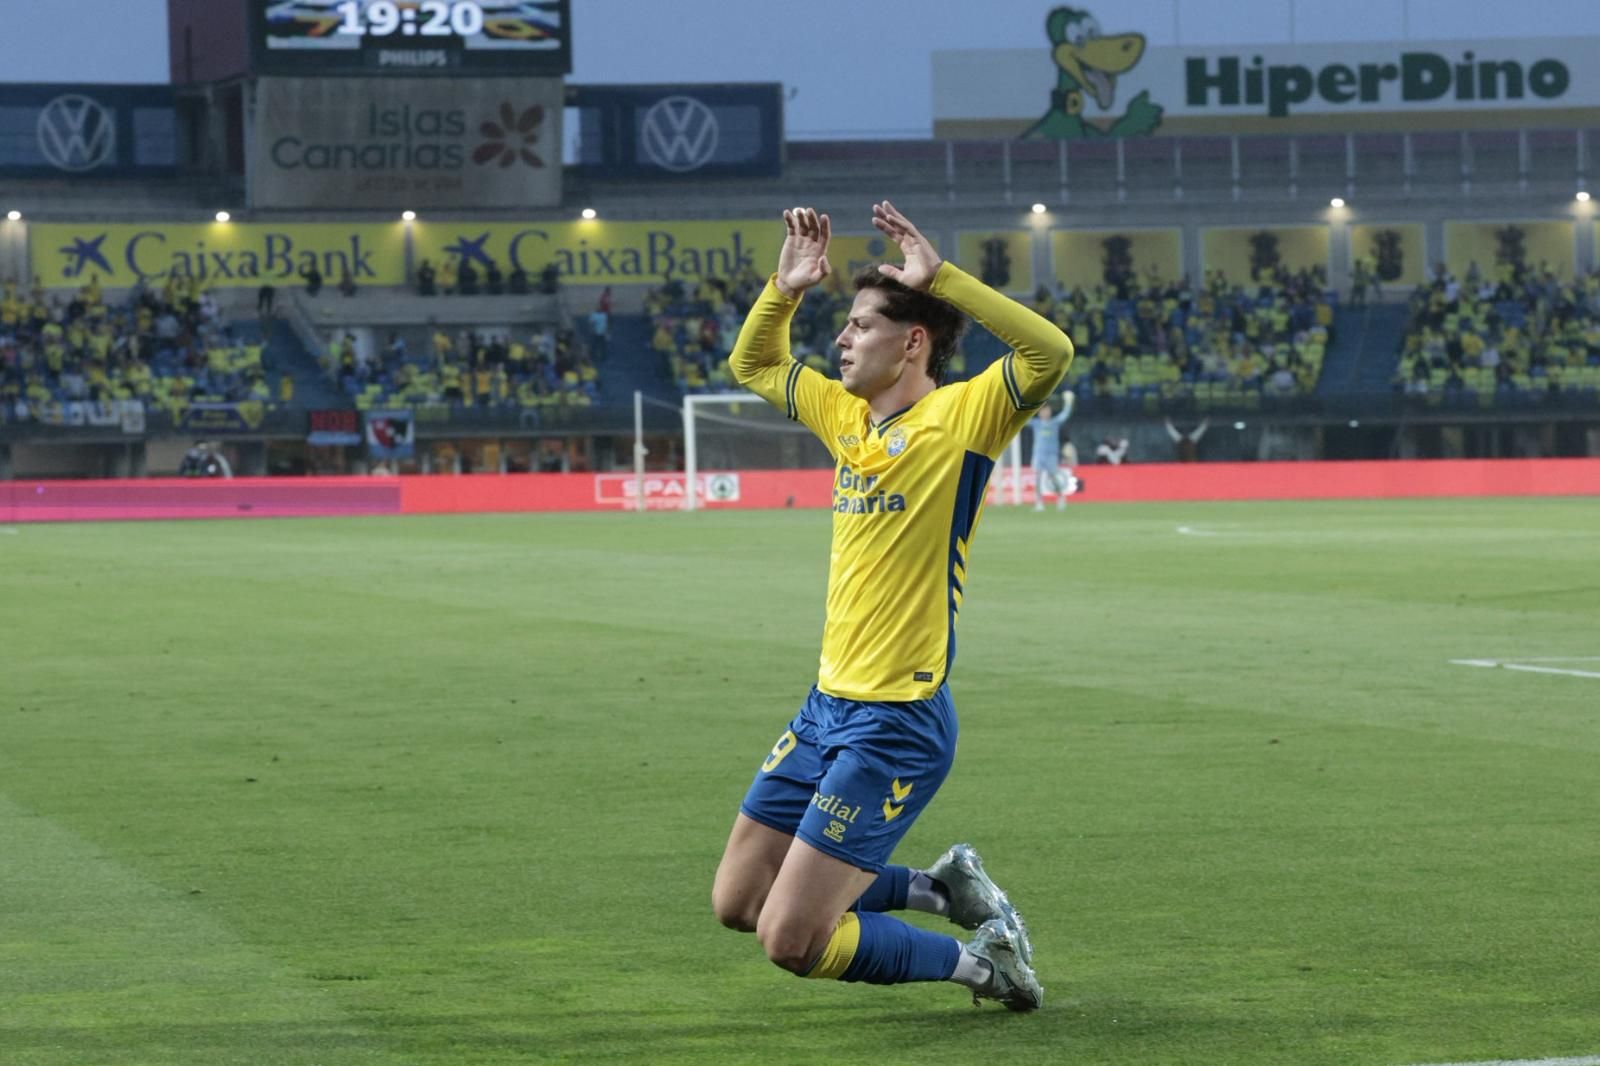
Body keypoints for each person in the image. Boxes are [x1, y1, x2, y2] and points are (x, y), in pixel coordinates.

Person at [712, 202, 1071, 1012]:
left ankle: (986, 966)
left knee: (791, 938)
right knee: (739, 902)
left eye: (862, 324)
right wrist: (785, 288)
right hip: (824, 708)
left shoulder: (965, 415)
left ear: (913, 341)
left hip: (897, 719)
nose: (841, 339)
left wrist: (940, 279)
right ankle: (941, 890)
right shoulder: (845, 417)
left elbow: (1050, 351)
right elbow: (754, 363)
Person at [1028, 390, 1075, 511]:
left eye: (1047, 410)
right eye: (1043, 410)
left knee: (1053, 477)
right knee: (1037, 477)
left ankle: (1060, 497)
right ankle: (1039, 502)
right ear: (1039, 413)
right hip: (1038, 454)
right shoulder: (1035, 423)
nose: (1045, 412)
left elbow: (1065, 414)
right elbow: (1022, 419)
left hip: (1051, 455)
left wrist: (1068, 403)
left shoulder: (1054, 423)